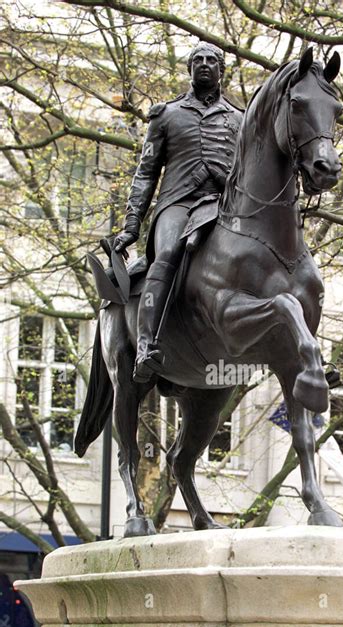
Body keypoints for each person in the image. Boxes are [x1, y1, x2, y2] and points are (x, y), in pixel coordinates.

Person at [113, 42, 244, 382]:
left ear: (221, 69)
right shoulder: (167, 114)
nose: (204, 64)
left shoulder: (240, 118)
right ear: (189, 69)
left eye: (211, 60)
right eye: (197, 60)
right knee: (168, 253)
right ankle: (146, 345)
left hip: (222, 207)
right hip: (178, 204)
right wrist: (132, 226)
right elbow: (146, 173)